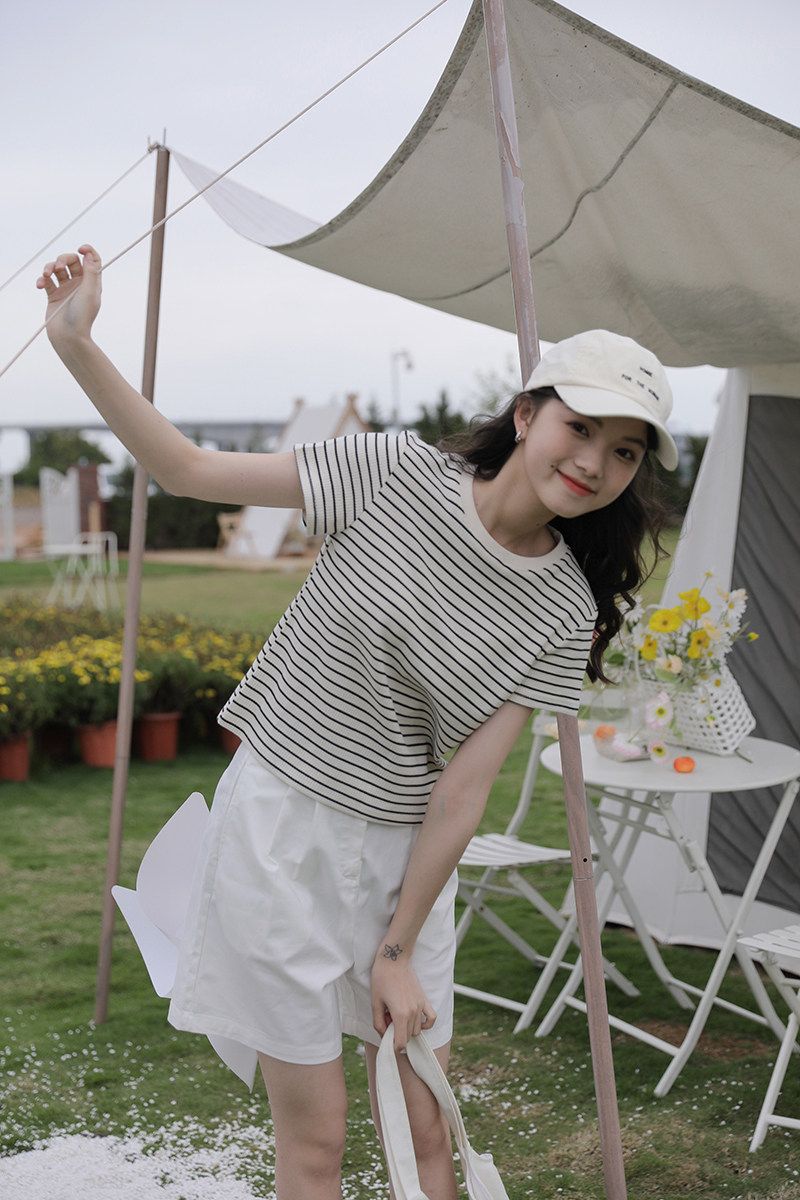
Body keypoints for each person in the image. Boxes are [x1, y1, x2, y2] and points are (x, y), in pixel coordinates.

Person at [37, 245, 676, 1200]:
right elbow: (186, 469)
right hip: (280, 834)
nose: (594, 462)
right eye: (579, 427)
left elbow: (462, 792)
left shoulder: (562, 606)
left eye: (625, 450)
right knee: (318, 1143)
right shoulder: (392, 471)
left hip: (405, 863)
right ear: (526, 414)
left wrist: (397, 948)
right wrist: (76, 344)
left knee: (426, 1131)